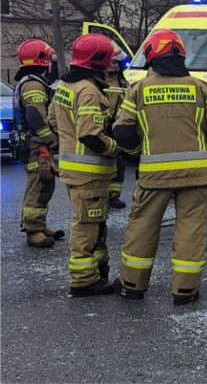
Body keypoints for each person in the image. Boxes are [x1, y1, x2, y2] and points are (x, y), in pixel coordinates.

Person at [111, 29, 207, 305]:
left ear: (152, 56)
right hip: (197, 176)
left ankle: (132, 285)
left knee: (142, 228)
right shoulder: (199, 87)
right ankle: (185, 290)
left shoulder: (138, 89)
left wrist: (138, 152)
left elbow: (124, 133)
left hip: (154, 177)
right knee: (191, 230)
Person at [47, 34, 124, 297]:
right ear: (99, 61)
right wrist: (115, 148)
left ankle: (97, 271)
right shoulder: (89, 91)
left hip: (74, 171)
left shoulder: (65, 87)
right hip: (90, 173)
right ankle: (83, 280)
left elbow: (53, 122)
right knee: (87, 225)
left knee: (94, 222)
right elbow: (90, 134)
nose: (111, 65)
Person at [13, 39, 65, 248]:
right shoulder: (34, 84)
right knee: (38, 185)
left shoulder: (30, 80)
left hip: (36, 144)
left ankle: (39, 225)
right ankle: (33, 230)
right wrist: (53, 140)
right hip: (36, 145)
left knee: (45, 184)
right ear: (43, 60)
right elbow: (36, 118)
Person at [103, 51, 133, 210]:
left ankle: (114, 197)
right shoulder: (98, 82)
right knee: (102, 163)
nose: (112, 66)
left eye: (115, 63)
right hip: (101, 127)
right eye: (110, 62)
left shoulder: (123, 83)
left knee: (119, 164)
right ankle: (101, 195)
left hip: (117, 126)